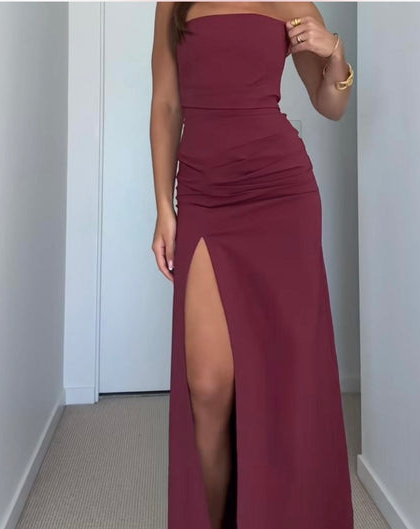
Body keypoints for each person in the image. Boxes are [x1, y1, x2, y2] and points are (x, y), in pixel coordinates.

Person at [149, 2, 354, 528]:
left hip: (280, 195)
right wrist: (164, 207)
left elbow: (330, 105)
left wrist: (335, 52)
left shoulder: (290, 2)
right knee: (208, 385)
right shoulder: (173, 4)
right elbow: (167, 104)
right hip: (204, 196)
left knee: (287, 378)